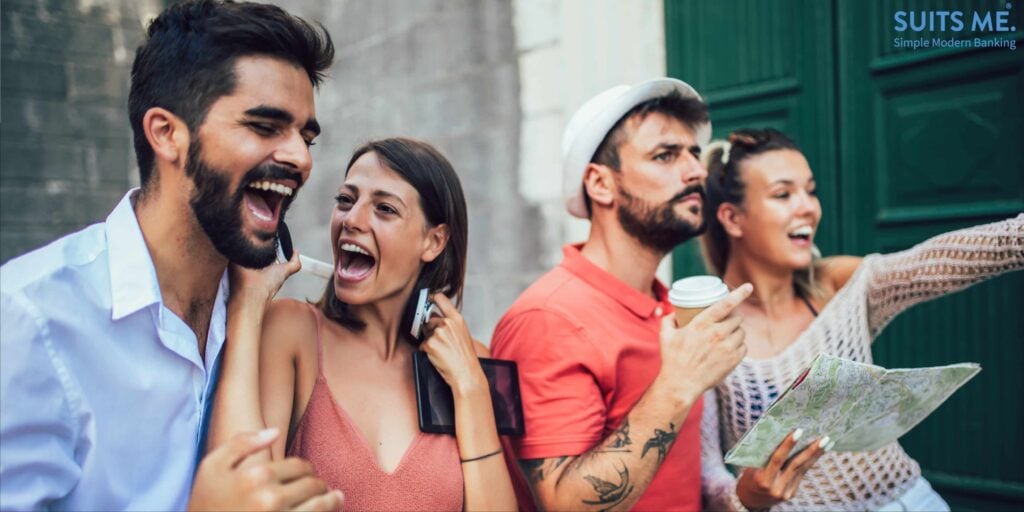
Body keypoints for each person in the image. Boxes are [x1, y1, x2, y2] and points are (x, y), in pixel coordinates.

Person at [0, 1, 342, 510]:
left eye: (305, 135)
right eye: (265, 126)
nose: (301, 158)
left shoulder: (259, 310)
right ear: (166, 133)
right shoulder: (30, 318)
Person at [490, 78, 820, 512]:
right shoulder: (550, 318)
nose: (696, 172)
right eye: (665, 155)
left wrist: (747, 495)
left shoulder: (668, 305)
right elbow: (565, 504)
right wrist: (679, 384)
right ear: (601, 184)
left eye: (693, 154)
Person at [698, 128, 1024, 511]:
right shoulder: (709, 329)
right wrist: (743, 497)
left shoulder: (836, 285)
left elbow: (937, 260)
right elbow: (706, 474)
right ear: (732, 218)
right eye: (783, 194)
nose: (808, 207)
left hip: (909, 501)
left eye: (810, 190)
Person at [209, 138, 518, 510]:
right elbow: (238, 492)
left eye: (384, 209)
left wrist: (470, 389)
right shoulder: (293, 332)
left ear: (434, 241)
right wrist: (248, 306)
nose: (352, 220)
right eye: (345, 200)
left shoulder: (468, 364)